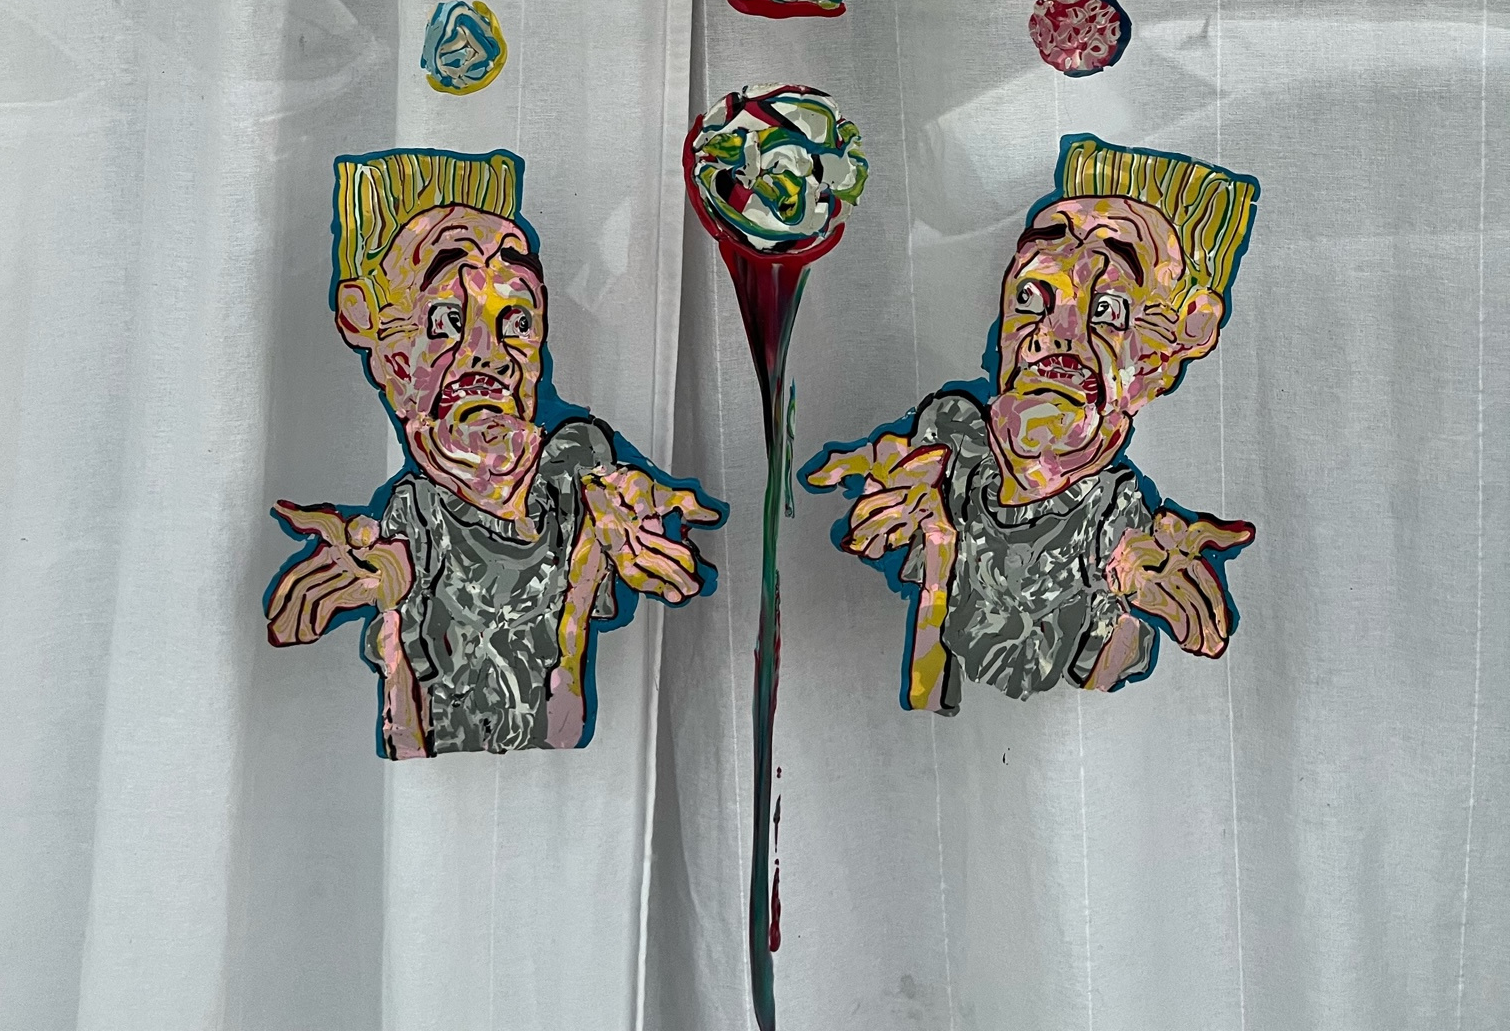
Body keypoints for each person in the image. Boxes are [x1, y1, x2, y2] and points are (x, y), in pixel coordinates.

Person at [266, 148, 720, 757]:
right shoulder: (413, 518)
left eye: (517, 322)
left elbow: (601, 489)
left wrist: (613, 527)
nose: (491, 354)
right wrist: (391, 598)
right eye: (447, 320)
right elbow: (411, 722)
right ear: (373, 332)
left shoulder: (573, 472)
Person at [804, 135, 1259, 710]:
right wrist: (934, 541)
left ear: (1176, 341)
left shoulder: (1114, 528)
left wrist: (1122, 602)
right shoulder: (950, 445)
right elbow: (925, 698)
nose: (1054, 333)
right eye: (1030, 298)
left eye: (1107, 310)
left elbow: (1091, 708)